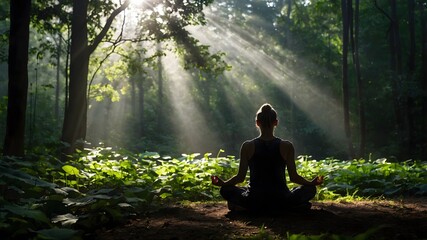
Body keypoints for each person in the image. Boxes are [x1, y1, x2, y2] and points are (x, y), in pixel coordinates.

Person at [211, 103, 324, 213]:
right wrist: (310, 183)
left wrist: (223, 183)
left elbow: (240, 177)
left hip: (254, 199)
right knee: (310, 190)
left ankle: (247, 208)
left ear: (257, 123)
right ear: (276, 122)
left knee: (226, 190)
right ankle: (289, 208)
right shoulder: (287, 146)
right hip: (281, 199)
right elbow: (294, 177)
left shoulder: (247, 146)